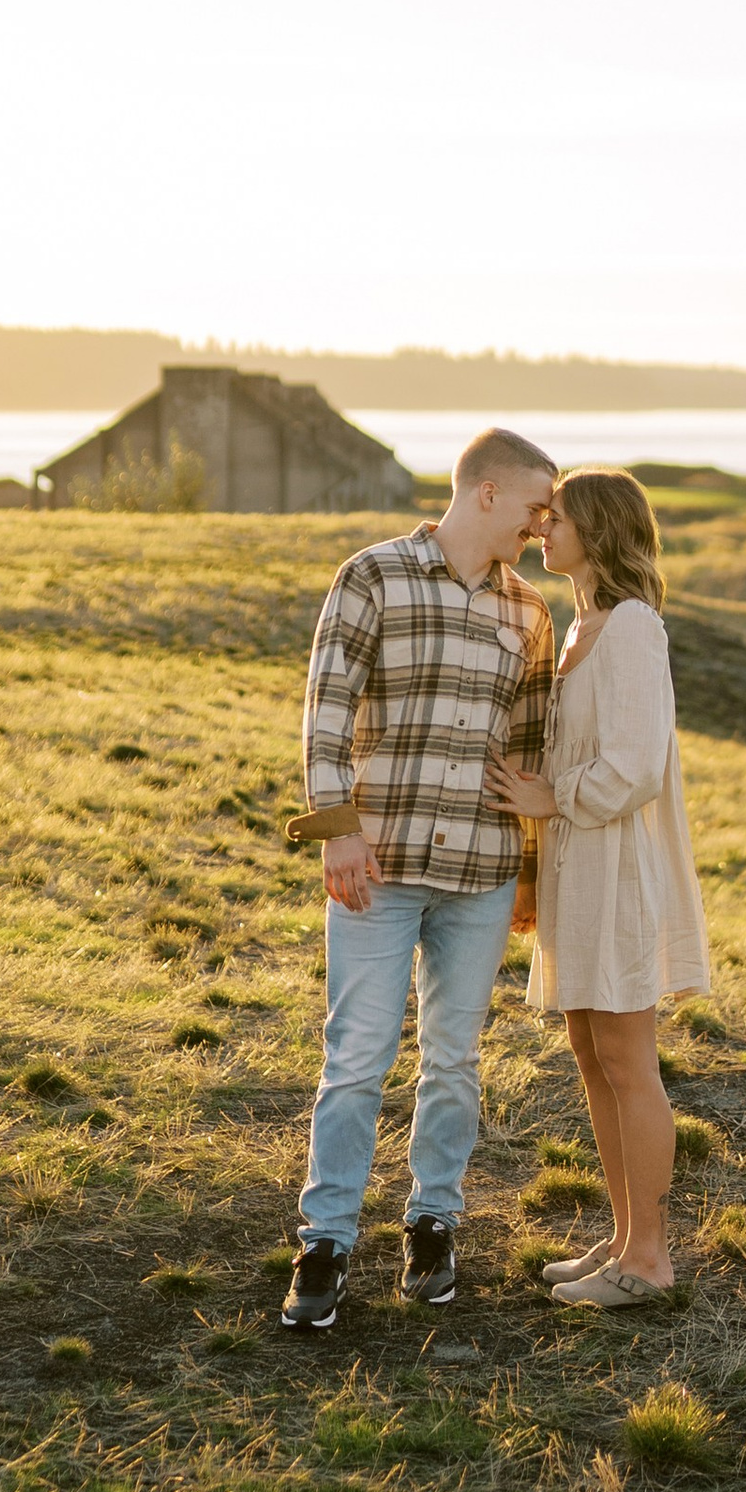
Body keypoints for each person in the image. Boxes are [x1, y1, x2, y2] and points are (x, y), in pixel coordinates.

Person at [277, 427, 558, 1331]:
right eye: (533, 507)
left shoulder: (530, 613)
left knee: (455, 1062)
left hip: (479, 871)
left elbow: (526, 749)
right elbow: (327, 710)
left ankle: (433, 1222)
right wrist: (336, 832)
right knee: (356, 1057)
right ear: (485, 494)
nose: (541, 524)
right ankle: (325, 1240)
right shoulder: (373, 576)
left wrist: (528, 872)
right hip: (380, 865)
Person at [485, 465, 710, 1307]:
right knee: (591, 1054)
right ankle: (621, 1240)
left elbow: (635, 766)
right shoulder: (580, 627)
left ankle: (650, 1260)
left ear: (599, 529)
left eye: (558, 517)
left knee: (627, 1057)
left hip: (615, 866)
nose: (543, 528)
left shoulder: (633, 629)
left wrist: (554, 796)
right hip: (577, 865)